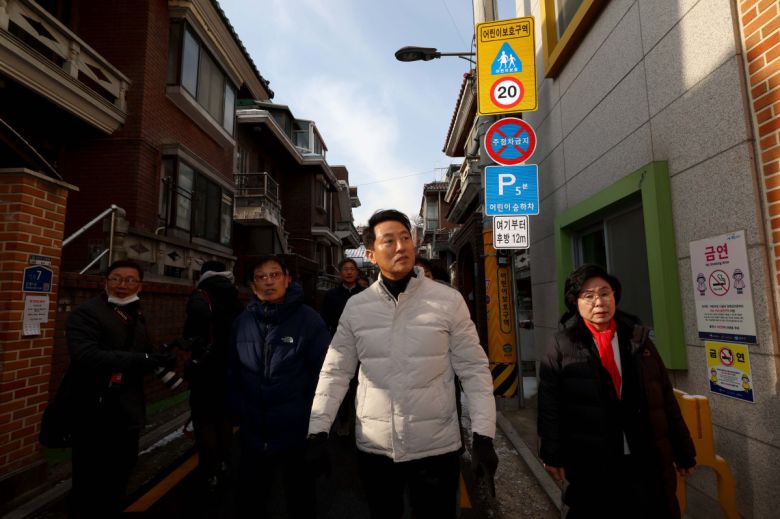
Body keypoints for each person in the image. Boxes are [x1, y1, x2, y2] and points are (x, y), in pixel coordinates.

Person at [307, 209, 497, 519]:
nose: (401, 247)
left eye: (406, 238)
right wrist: (317, 432)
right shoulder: (357, 307)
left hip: (436, 448)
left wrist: (484, 435)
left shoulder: (448, 301)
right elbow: (336, 372)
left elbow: (473, 369)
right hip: (376, 448)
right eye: (389, 240)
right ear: (371, 253)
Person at [537, 264, 696, 519]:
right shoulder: (561, 345)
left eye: (605, 293)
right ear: (575, 302)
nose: (599, 302)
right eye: (588, 296)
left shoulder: (638, 340)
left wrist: (684, 450)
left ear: (614, 297)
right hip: (591, 463)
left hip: (645, 459)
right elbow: (549, 405)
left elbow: (664, 398)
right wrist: (551, 453)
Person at [66, 259, 175, 517]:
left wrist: (160, 358)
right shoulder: (87, 313)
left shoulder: (136, 315)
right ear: (106, 281)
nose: (122, 285)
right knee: (89, 480)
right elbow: (86, 355)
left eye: (129, 280)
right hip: (94, 409)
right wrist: (143, 360)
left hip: (128, 411)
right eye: (116, 278)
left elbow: (142, 354)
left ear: (140, 285)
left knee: (121, 474)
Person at [229, 255, 330, 518]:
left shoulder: (310, 321)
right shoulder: (242, 322)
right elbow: (233, 372)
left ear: (288, 279)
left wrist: (318, 421)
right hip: (253, 428)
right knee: (250, 498)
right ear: (252, 286)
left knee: (300, 497)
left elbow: (325, 373)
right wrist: (236, 413)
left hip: (297, 427)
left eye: (274, 274)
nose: (268, 281)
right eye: (261, 277)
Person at [182, 260, 243, 491]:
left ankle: (210, 470)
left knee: (204, 419)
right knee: (224, 418)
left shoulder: (201, 294)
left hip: (205, 368)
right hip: (229, 367)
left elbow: (191, 331)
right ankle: (226, 460)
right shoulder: (235, 295)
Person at [319, 257, 365, 437]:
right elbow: (325, 320)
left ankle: (360, 421)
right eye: (345, 269)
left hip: (362, 345)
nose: (348, 272)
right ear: (340, 273)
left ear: (357, 272)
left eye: (352, 269)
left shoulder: (364, 294)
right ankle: (344, 421)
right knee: (342, 384)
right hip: (339, 345)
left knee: (361, 384)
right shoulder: (332, 295)